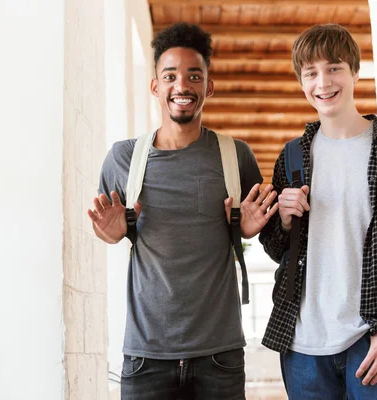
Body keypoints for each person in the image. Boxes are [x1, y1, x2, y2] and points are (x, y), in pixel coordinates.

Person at [87, 23, 278, 400]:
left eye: (194, 75)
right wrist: (108, 232)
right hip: (146, 358)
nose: (182, 86)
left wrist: (246, 229)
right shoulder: (125, 158)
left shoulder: (235, 156)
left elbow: (246, 225)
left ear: (209, 86)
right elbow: (110, 230)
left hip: (219, 356)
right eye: (170, 75)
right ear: (156, 85)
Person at [259, 24, 377, 399]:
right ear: (301, 82)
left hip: (375, 341)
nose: (323, 82)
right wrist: (281, 220)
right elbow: (280, 249)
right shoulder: (292, 157)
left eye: (333, 68)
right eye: (310, 73)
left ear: (355, 71)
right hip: (303, 347)